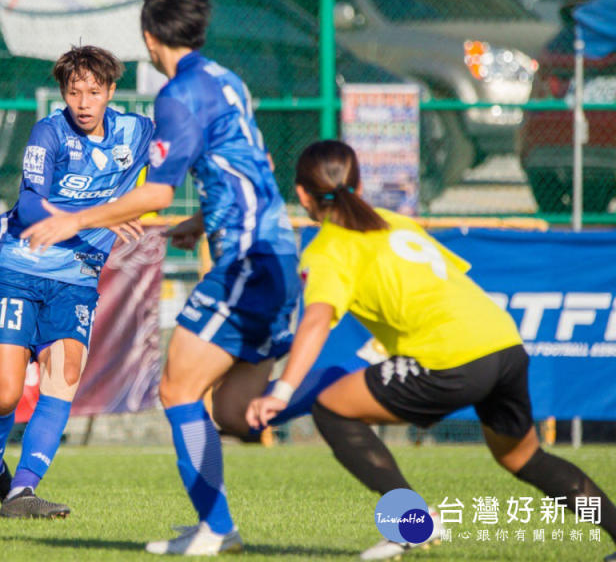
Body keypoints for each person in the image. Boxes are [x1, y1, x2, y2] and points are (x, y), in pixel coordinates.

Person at [22, 0, 334, 554]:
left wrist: (76, 218)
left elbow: (157, 191)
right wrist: (201, 223)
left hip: (245, 260)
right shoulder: (226, 80)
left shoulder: (178, 94)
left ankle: (222, 522)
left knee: (176, 389)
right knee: (236, 413)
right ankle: (221, 519)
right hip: (271, 249)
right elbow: (241, 167)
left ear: (148, 36)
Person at [246, 140, 616, 561]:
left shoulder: (329, 248)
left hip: (450, 358)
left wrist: (281, 390)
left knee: (331, 409)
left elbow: (315, 321)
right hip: (504, 343)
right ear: (359, 183)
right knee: (525, 458)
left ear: (302, 195)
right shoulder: (396, 224)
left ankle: (412, 523)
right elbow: (448, 279)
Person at [0, 45, 153, 519]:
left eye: (94, 92)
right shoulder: (48, 132)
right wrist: (97, 214)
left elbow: (180, 159)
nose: (83, 101)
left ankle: (22, 493)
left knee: (63, 381)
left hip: (76, 277)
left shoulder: (137, 132)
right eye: (74, 91)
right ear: (62, 93)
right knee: (6, 394)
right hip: (17, 266)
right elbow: (31, 205)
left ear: (112, 92)